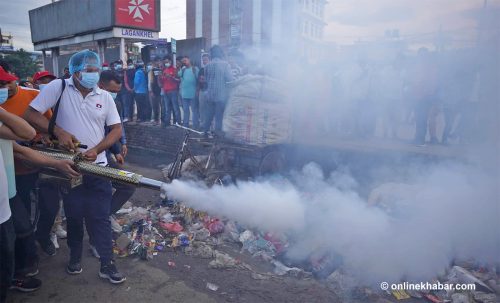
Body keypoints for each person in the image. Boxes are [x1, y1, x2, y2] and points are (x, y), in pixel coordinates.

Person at [24, 50, 126, 284]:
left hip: (98, 167)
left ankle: (107, 264)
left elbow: (117, 130)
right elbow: (30, 114)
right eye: (87, 71)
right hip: (69, 167)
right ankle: (74, 257)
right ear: (74, 71)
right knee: (74, 214)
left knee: (100, 216)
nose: (92, 75)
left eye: (95, 70)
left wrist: (98, 149)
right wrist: (58, 131)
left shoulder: (105, 96)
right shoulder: (58, 87)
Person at [202, 45, 234, 133]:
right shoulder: (225, 65)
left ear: (212, 54)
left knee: (208, 116)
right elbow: (230, 79)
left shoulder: (207, 66)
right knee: (219, 117)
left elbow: (207, 79)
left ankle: (205, 133)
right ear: (220, 53)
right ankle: (217, 135)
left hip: (210, 95)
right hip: (221, 96)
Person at [178, 56, 199, 129]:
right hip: (184, 94)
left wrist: (197, 91)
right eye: (183, 61)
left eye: (185, 60)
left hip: (193, 94)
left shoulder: (195, 69)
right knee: (186, 110)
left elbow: (199, 81)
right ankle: (185, 125)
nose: (184, 62)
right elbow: (177, 75)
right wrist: (179, 67)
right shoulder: (183, 69)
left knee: (194, 110)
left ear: (189, 60)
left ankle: (195, 125)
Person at [160, 57, 181, 126]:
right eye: (165, 62)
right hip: (166, 92)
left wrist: (171, 77)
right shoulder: (164, 70)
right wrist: (160, 77)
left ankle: (178, 122)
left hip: (173, 91)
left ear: (170, 62)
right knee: (167, 108)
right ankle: (167, 122)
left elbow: (178, 80)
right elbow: (162, 82)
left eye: (167, 62)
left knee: (175, 108)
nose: (166, 63)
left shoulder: (174, 70)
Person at [148, 58, 162, 125]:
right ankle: (157, 120)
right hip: (154, 90)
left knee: (158, 106)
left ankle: (158, 120)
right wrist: (151, 91)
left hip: (158, 91)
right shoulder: (153, 70)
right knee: (155, 106)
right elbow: (151, 81)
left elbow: (156, 81)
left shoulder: (157, 70)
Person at [197, 54, 210, 128]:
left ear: (209, 60)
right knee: (201, 108)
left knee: (209, 108)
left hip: (209, 91)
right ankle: (202, 123)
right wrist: (198, 91)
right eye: (203, 60)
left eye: (205, 59)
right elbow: (199, 80)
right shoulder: (201, 69)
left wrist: (204, 79)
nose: (204, 61)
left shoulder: (211, 69)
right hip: (202, 90)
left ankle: (209, 124)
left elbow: (211, 80)